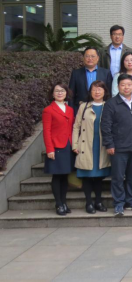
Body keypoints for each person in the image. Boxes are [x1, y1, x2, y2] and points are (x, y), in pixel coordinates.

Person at [101, 74, 132, 216]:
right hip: (118, 147)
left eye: (129, 84)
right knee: (118, 177)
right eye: (123, 85)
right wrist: (109, 144)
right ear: (118, 86)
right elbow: (105, 126)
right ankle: (119, 203)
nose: (126, 87)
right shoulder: (111, 104)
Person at [72, 81, 111, 214]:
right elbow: (76, 126)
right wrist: (75, 144)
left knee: (99, 176)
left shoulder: (108, 106)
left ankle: (98, 202)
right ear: (90, 92)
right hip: (85, 145)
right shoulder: (83, 106)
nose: (97, 92)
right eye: (94, 89)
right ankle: (89, 203)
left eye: (100, 89)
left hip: (101, 145)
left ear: (105, 91)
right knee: (87, 176)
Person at [43, 83, 75, 216]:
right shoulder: (48, 110)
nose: (60, 93)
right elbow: (46, 131)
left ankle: (64, 202)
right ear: (52, 94)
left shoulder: (70, 109)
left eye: (62, 91)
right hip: (56, 146)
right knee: (57, 176)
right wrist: (49, 149)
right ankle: (58, 204)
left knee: (65, 175)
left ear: (66, 93)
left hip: (68, 146)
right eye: (57, 91)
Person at [69, 47, 112, 116]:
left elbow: (109, 93)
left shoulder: (106, 73)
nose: (90, 58)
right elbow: (71, 94)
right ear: (83, 58)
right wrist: (72, 112)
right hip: (81, 110)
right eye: (87, 56)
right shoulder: (76, 73)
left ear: (97, 58)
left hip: (101, 109)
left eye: (93, 56)